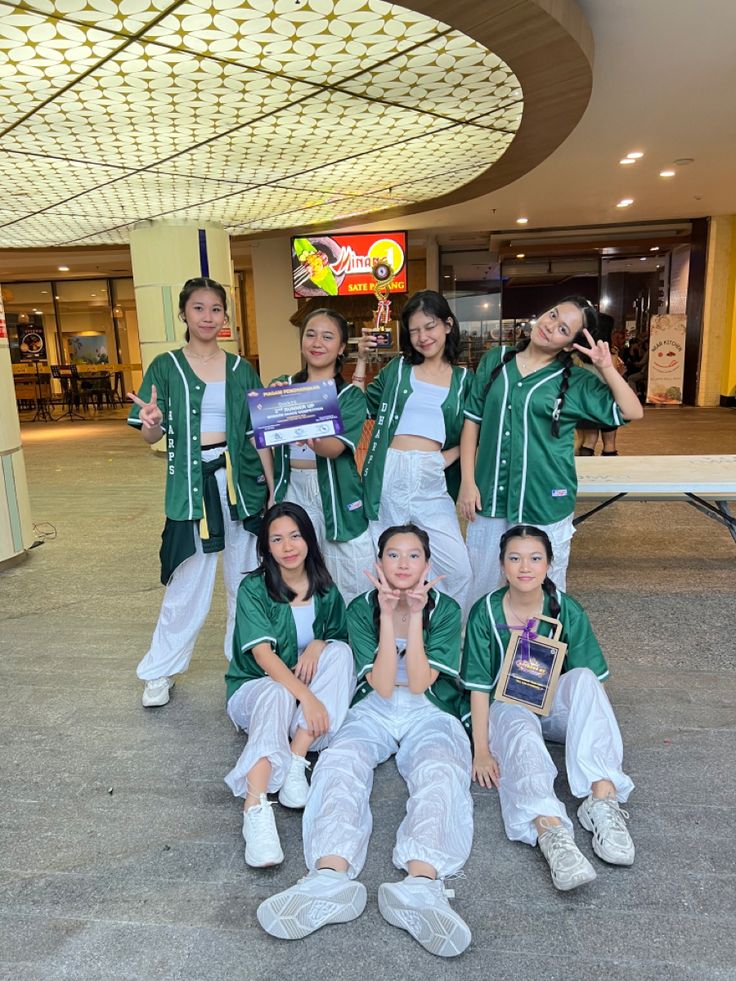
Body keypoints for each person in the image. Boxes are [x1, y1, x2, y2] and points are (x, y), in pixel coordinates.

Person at [257, 524, 473, 958]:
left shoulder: (446, 610)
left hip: (429, 708)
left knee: (441, 769)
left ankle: (422, 885)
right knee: (340, 763)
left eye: (414, 556)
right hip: (373, 705)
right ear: (379, 563)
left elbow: (417, 682)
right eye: (393, 555)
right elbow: (383, 685)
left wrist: (413, 616)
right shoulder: (361, 608)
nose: (404, 564)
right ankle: (329, 878)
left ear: (428, 565)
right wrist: (388, 611)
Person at [462, 524, 635, 892]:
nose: (525, 567)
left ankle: (602, 799)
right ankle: (550, 830)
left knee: (585, 678)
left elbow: (593, 687)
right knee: (517, 720)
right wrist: (481, 751)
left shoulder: (566, 609)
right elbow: (478, 688)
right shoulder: (485, 612)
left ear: (549, 564)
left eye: (535, 558)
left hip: (553, 707)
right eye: (515, 558)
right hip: (508, 710)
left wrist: (586, 732)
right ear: (502, 565)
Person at [127, 277, 274, 708]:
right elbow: (148, 436)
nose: (208, 317)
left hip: (241, 481)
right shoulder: (165, 366)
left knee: (247, 577)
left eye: (215, 309)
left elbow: (257, 433)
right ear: (184, 314)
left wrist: (270, 489)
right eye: (198, 308)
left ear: (225, 316)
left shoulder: (241, 368)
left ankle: (243, 662)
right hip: (192, 487)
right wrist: (152, 423)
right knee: (186, 581)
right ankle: (160, 671)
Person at [459, 296, 643, 603]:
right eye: (552, 314)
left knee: (541, 591)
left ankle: (536, 651)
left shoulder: (576, 381)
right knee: (484, 583)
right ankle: (485, 647)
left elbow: (631, 411)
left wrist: (606, 366)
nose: (549, 326)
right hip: (490, 494)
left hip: (544, 499)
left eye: (562, 329)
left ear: (570, 344)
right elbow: (472, 421)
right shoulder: (497, 360)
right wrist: (468, 481)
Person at [224, 502, 355, 868]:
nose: (288, 546)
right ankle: (256, 806)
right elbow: (264, 657)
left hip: (297, 702)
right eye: (277, 539)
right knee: (278, 689)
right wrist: (309, 698)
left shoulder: (325, 589)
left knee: (340, 653)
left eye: (295, 536)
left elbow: (338, 638)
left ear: (308, 540)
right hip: (255, 691)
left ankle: (297, 759)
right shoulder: (254, 588)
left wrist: (319, 643)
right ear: (265, 548)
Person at [353, 290, 474, 615]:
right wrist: (362, 361)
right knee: (385, 565)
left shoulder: (463, 380)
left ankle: (442, 636)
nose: (422, 337)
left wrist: (444, 460)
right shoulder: (398, 368)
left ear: (448, 325)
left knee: (457, 568)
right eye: (414, 330)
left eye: (430, 326)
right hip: (389, 472)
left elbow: (472, 429)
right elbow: (363, 406)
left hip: (431, 478)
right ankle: (388, 637)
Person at [271, 308, 375, 603]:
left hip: (335, 492)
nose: (317, 342)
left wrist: (300, 420)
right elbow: (263, 442)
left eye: (328, 337)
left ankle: (356, 645)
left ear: (341, 347)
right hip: (291, 489)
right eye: (310, 334)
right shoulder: (283, 386)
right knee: (295, 577)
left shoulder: (350, 397)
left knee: (354, 575)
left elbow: (334, 448)